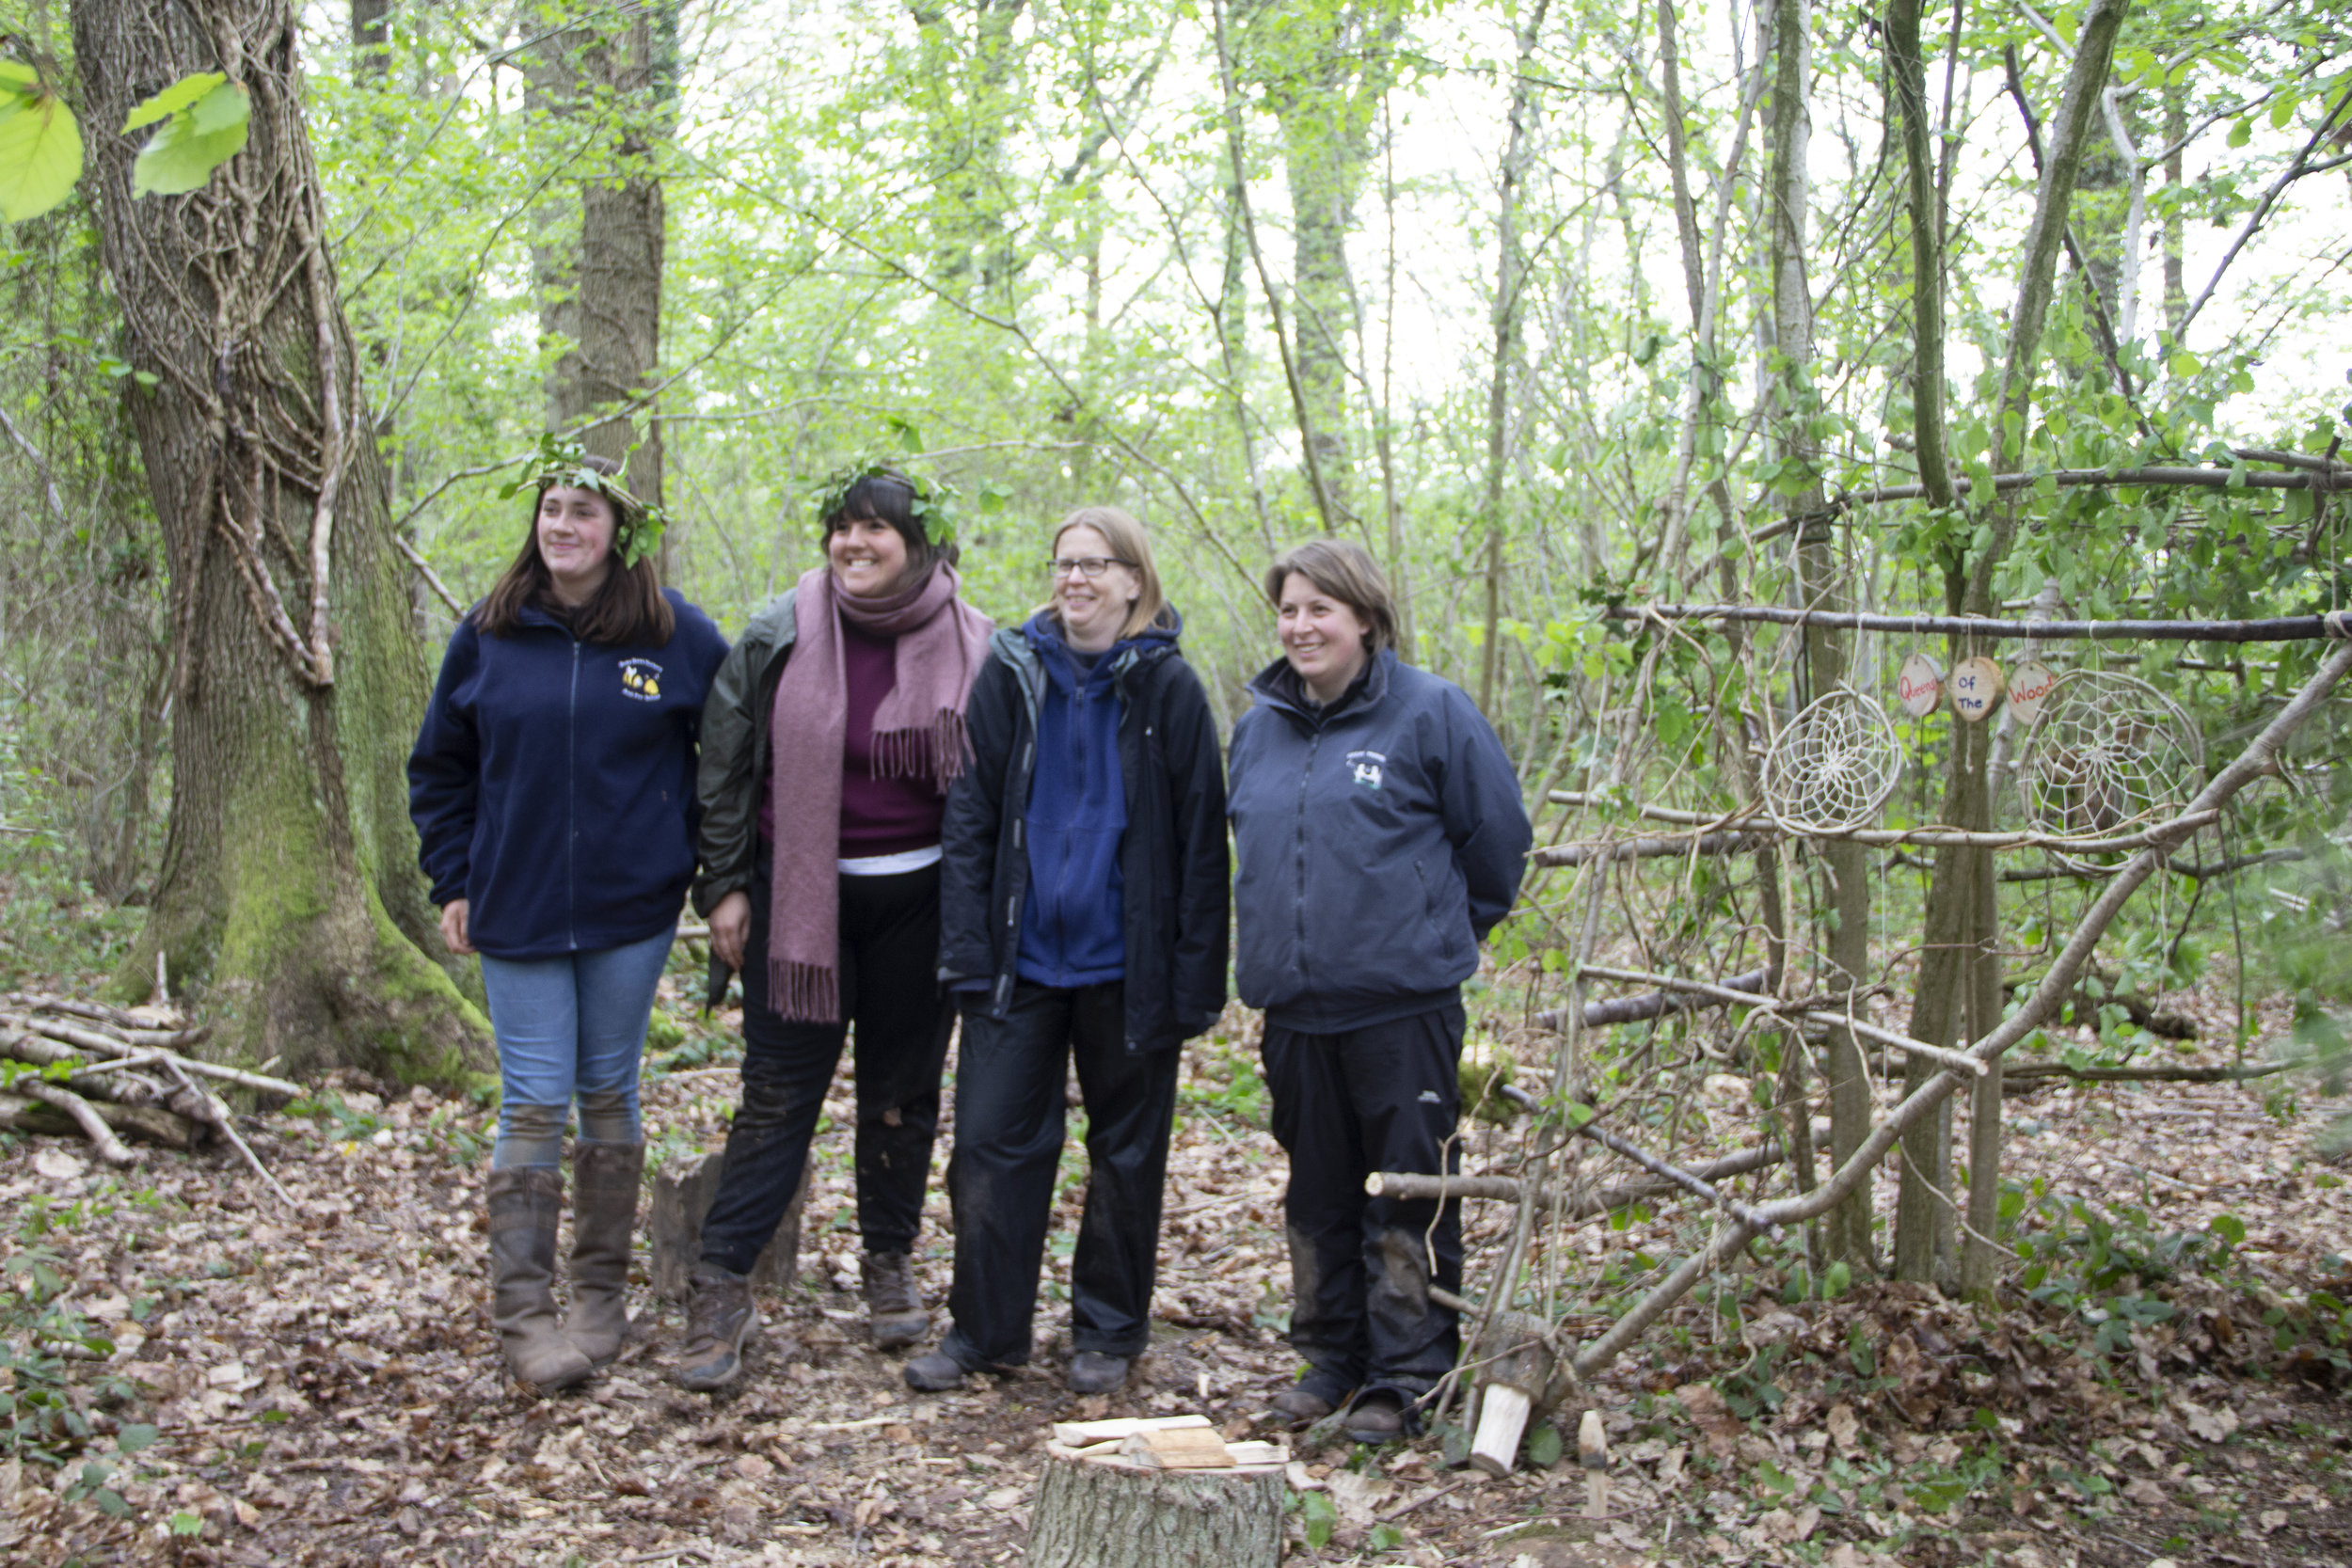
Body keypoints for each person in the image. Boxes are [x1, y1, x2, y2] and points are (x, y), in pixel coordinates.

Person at [409, 449, 728, 1391]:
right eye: (552, 509)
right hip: (516, 902)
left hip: (633, 907)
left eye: (583, 511)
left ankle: (598, 1297)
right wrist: (451, 878)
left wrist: (714, 872)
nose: (563, 527)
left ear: (618, 532)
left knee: (608, 1089)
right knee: (534, 1097)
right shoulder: (489, 634)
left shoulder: (677, 637)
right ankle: (524, 1313)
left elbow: (731, 759)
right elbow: (439, 769)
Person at [677, 467, 993, 1391]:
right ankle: (721, 1281)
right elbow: (725, 767)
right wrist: (725, 886)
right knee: (778, 1092)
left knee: (901, 1092)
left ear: (918, 543)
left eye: (874, 530)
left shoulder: (978, 644)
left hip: (923, 903)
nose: (853, 544)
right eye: (840, 529)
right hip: (797, 900)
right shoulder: (781, 630)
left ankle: (888, 1265)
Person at [907, 507, 1229, 1394]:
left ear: (1135, 580)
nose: (1075, 579)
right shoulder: (1010, 675)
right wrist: (967, 948)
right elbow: (970, 818)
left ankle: (1109, 1331)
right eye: (1063, 564)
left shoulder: (1169, 690)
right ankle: (986, 1331)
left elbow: (1204, 842)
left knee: (1127, 1155)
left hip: (1131, 970)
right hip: (1020, 962)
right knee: (988, 1144)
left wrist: (1197, 979)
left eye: (1095, 564)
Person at [1225, 539, 1532, 1444]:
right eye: (1288, 608)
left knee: (1407, 1192)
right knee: (1316, 1193)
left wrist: (1437, 933)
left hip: (1404, 1009)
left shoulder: (1429, 711)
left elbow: (1498, 844)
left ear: (1365, 617)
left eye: (1321, 607)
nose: (1300, 624)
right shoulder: (1258, 728)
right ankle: (1331, 1360)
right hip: (1295, 1010)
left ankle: (1409, 1375)